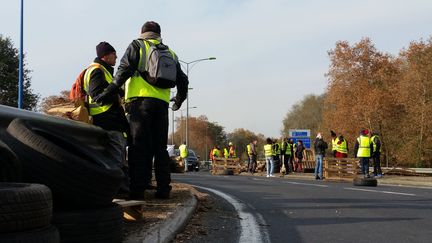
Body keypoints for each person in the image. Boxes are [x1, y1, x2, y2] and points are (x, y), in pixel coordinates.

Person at [93, 21, 189, 200]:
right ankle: (163, 190)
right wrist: (178, 101)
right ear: (159, 34)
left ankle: (137, 191)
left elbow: (123, 72)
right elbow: (183, 81)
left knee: (138, 148)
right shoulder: (171, 53)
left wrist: (108, 92)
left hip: (139, 104)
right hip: (161, 105)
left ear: (142, 32)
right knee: (160, 149)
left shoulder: (138, 45)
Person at [84, 42, 131, 195]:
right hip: (107, 119)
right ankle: (114, 190)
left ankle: (120, 188)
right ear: (106, 55)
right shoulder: (97, 71)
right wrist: (116, 96)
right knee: (116, 156)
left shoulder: (103, 70)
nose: (116, 56)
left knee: (118, 155)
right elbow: (97, 95)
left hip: (110, 119)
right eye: (114, 53)